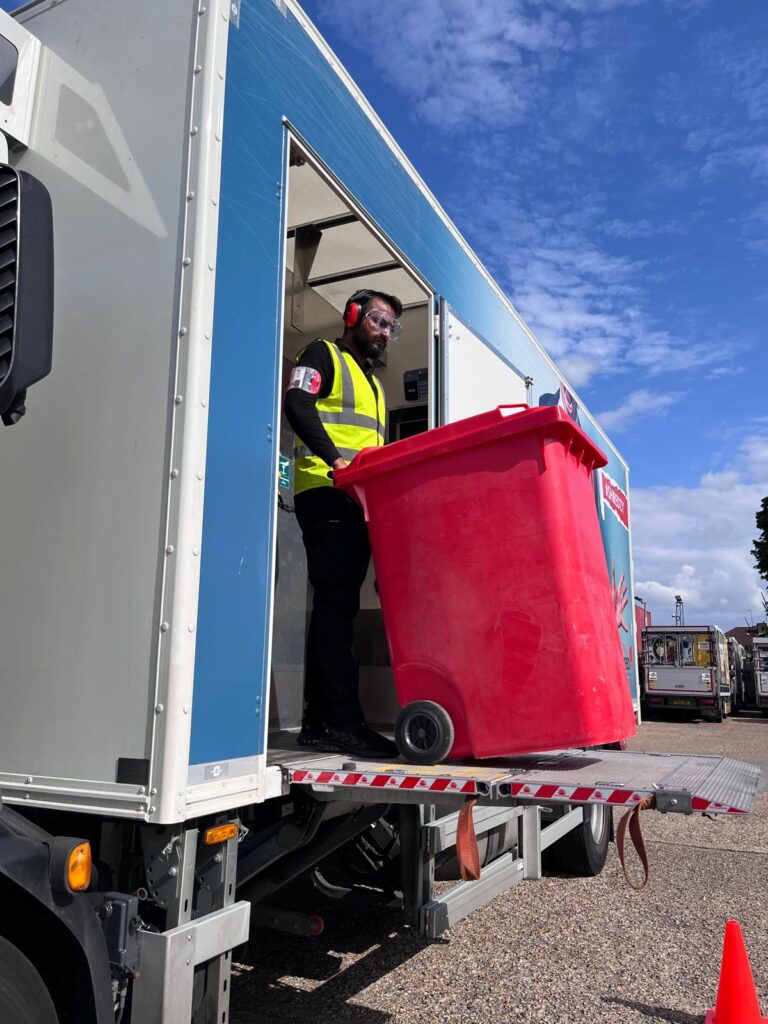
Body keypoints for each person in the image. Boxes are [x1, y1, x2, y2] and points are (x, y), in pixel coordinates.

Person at [284, 288, 403, 758]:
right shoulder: (322, 354)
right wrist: (335, 461)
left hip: (357, 500)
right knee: (336, 606)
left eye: (393, 326)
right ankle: (340, 721)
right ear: (352, 316)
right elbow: (297, 404)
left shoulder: (373, 382)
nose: (385, 332)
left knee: (340, 608)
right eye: (377, 320)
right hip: (326, 493)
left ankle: (320, 721)